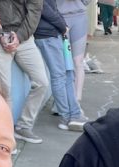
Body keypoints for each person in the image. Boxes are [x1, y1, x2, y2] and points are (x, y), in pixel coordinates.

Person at [0, 0, 51, 145]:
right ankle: (4, 135)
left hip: (24, 39)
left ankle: (24, 126)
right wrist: (0, 36)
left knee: (42, 82)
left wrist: (18, 37)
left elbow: (34, 12)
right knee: (3, 90)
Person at [35, 0, 88, 130]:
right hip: (47, 33)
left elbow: (52, 8)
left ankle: (74, 114)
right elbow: (44, 8)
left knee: (68, 73)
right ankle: (65, 118)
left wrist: (62, 26)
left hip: (56, 31)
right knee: (59, 75)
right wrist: (62, 25)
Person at [58, 0, 91, 99]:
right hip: (59, 18)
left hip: (79, 17)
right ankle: (61, 100)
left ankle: (76, 101)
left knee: (78, 62)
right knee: (61, 62)